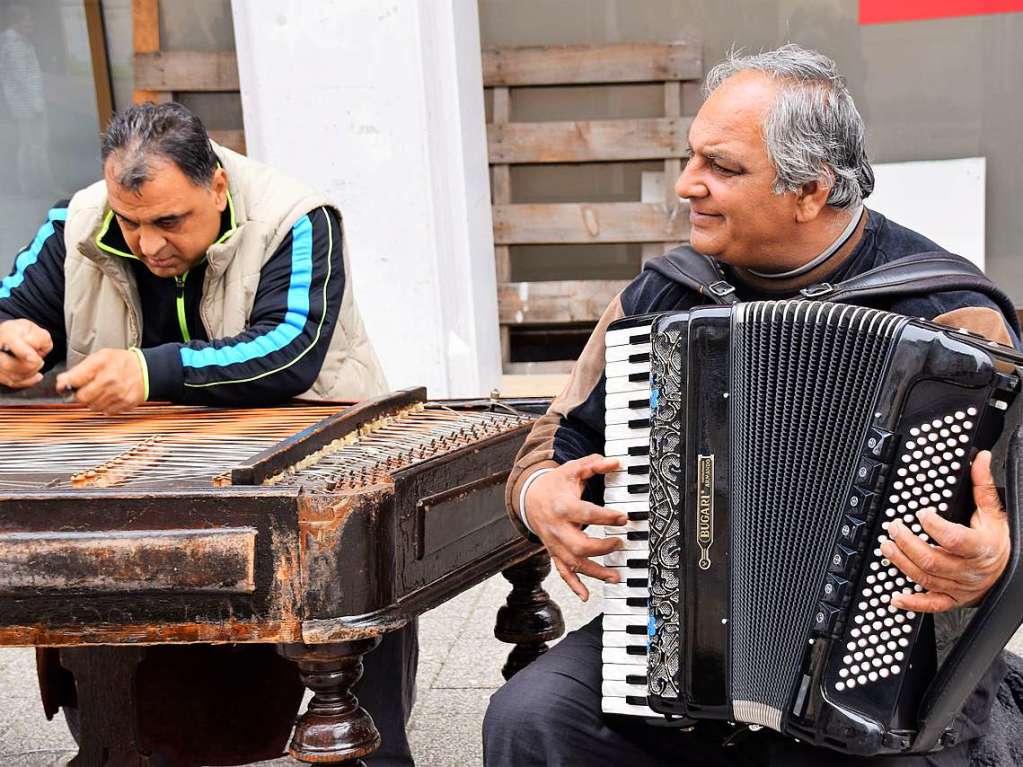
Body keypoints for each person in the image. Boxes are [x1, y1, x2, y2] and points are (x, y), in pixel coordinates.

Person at [483, 45, 1018, 767]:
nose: (685, 185)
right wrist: (540, 492)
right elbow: (557, 437)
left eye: (721, 167)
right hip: (677, 637)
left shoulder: (952, 321)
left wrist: (993, 559)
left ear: (809, 190)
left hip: (884, 664)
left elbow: (1009, 516)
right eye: (690, 157)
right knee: (531, 717)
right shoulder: (663, 297)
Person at [0, 102, 414, 766]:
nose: (148, 245)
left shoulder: (297, 219)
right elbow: (9, 306)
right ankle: (126, 738)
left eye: (170, 222)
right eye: (129, 224)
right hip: (147, 461)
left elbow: (289, 348)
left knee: (353, 552)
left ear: (216, 186)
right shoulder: (76, 220)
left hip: (308, 450)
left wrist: (149, 370)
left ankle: (371, 751)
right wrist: (7, 339)